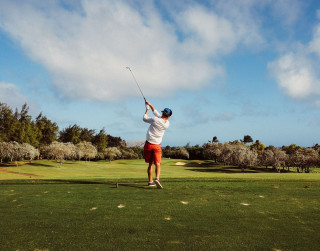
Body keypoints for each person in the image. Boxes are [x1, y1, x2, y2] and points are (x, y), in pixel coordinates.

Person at [143, 100, 172, 189]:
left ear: (163, 113)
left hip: (148, 144)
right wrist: (150, 105)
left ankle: (150, 181)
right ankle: (157, 178)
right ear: (169, 116)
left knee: (150, 164)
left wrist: (147, 109)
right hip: (157, 145)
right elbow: (156, 113)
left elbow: (144, 118)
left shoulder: (155, 120)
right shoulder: (167, 124)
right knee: (158, 163)